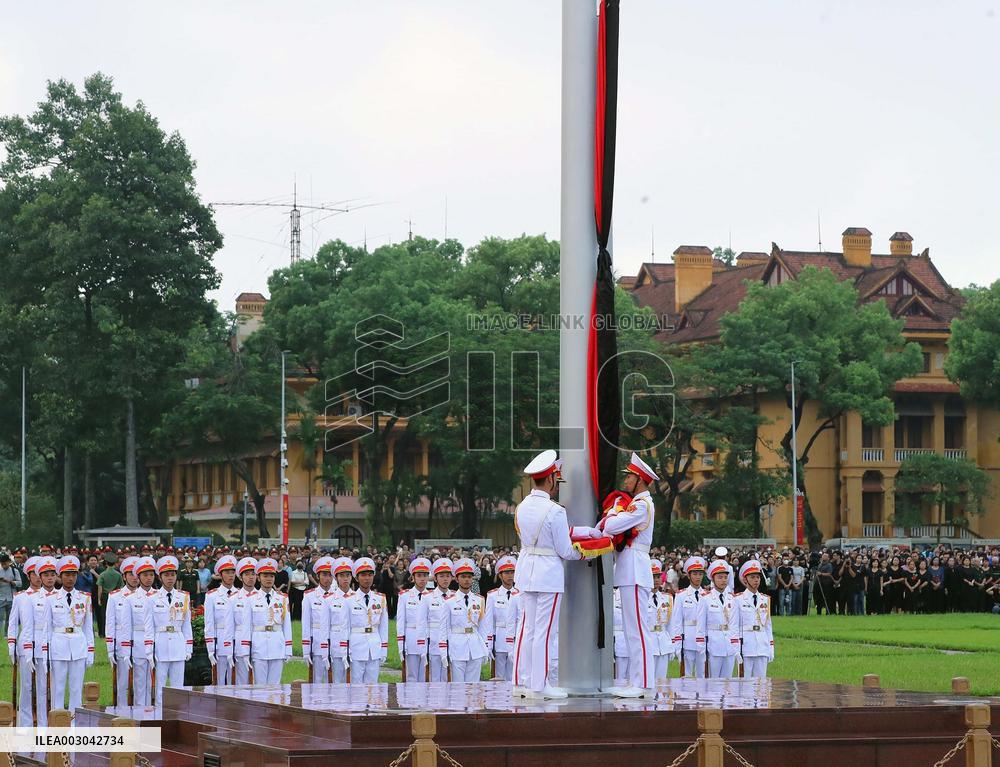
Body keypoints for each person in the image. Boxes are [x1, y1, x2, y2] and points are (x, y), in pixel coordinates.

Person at [510, 450, 588, 700]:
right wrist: (586, 553)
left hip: (527, 570)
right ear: (552, 479)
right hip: (548, 574)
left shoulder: (522, 506)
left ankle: (521, 682)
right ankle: (539, 685)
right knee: (544, 632)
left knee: (527, 629)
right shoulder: (555, 511)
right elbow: (565, 550)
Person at [599, 451, 659, 697]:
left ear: (640, 480)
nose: (625, 481)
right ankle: (639, 681)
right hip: (630, 569)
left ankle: (642, 684)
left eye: (630, 477)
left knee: (637, 631)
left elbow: (611, 526)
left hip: (634, 570)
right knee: (632, 629)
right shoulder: (638, 503)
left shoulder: (641, 505)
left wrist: (614, 509)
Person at [44, 555, 94, 714]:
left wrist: (90, 650)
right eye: (66, 575)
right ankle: (57, 721)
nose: (70, 578)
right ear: (60, 576)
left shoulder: (84, 597)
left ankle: (74, 723)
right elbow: (47, 628)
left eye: (73, 574)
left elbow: (88, 627)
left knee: (76, 688)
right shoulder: (51, 598)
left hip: (78, 646)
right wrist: (46, 652)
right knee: (57, 688)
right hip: (58, 646)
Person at [144, 555, 192, 704]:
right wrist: (149, 649)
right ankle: (160, 714)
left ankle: (178, 715)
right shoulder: (152, 598)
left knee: (178, 687)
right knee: (160, 687)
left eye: (172, 574)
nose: (170, 578)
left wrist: (188, 647)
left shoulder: (183, 597)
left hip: (178, 642)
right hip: (161, 644)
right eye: (166, 575)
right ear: (160, 577)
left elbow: (187, 624)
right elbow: (149, 626)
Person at [244, 558, 292, 684]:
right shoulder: (251, 598)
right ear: (259, 578)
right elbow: (247, 626)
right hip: (259, 646)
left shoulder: (282, 598)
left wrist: (288, 649)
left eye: (271, 576)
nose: (269, 579)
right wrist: (245, 650)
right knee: (260, 686)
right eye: (265, 576)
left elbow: (287, 625)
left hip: (277, 645)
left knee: (275, 686)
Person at [442, 557, 489, 683]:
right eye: (463, 577)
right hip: (457, 646)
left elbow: (483, 626)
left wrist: (485, 647)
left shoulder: (479, 600)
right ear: (457, 579)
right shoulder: (449, 601)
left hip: (475, 646)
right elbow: (444, 628)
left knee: (474, 686)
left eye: (469, 577)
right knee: (458, 686)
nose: (467, 580)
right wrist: (443, 651)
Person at [7, 556, 40, 726]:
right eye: (34, 574)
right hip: (24, 645)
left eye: (41, 574)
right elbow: (13, 623)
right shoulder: (20, 597)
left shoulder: (51, 596)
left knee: (44, 686)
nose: (38, 577)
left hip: (45, 645)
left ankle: (44, 721)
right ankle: (26, 724)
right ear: (28, 575)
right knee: (26, 686)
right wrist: (11, 645)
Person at [347, 557, 388, 683]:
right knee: (356, 684)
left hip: (374, 646)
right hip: (356, 646)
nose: (367, 578)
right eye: (363, 575)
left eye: (370, 575)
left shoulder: (380, 599)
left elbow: (384, 626)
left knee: (372, 685)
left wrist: (384, 649)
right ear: (357, 578)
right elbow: (345, 626)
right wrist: (346, 649)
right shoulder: (349, 599)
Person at [104, 557, 138, 706]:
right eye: (130, 574)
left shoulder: (148, 596)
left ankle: (141, 713)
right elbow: (110, 623)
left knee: (141, 682)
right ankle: (122, 712)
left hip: (141, 643)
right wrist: (110, 649)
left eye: (137, 574)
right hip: (121, 644)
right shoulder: (115, 596)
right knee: (122, 681)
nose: (134, 578)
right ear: (124, 577)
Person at [668, 557, 708, 678]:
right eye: (695, 574)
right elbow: (677, 621)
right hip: (688, 640)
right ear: (689, 576)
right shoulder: (681, 596)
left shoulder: (708, 595)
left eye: (700, 574)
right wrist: (677, 643)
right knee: (686, 676)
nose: (698, 577)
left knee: (703, 676)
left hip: (704, 640)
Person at [699, 559, 738, 679]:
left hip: (729, 646)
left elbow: (735, 624)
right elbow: (701, 625)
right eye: (720, 577)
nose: (723, 580)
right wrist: (701, 647)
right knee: (713, 682)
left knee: (728, 682)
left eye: (725, 577)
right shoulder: (705, 599)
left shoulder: (732, 598)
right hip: (714, 645)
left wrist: (736, 646)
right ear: (713, 579)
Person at [734, 559, 773, 679]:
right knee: (744, 684)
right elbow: (735, 626)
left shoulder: (765, 599)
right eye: (752, 577)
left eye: (758, 577)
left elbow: (768, 626)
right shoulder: (738, 599)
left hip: (762, 645)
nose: (756, 580)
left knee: (761, 683)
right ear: (745, 580)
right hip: (746, 646)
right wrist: (736, 648)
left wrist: (771, 647)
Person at [204, 555, 238, 685]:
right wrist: (210, 648)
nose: (231, 575)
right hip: (220, 642)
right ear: (221, 575)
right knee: (219, 682)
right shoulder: (212, 596)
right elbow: (209, 623)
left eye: (232, 572)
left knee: (235, 682)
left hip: (236, 642)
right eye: (227, 572)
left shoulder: (241, 594)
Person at [483, 555, 518, 682]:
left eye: (512, 572)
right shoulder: (493, 595)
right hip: (500, 638)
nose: (510, 576)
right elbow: (489, 621)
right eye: (506, 573)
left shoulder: (520, 594)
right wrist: (489, 644)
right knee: (499, 676)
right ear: (500, 575)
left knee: (514, 675)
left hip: (515, 638)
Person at [419, 558, 454, 683]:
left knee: (449, 678)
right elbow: (421, 623)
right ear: (435, 578)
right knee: (434, 678)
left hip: (452, 642)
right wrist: (423, 647)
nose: (445, 579)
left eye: (448, 576)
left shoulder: (455, 596)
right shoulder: (427, 597)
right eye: (442, 576)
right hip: (434, 642)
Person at [396, 557, 431, 683]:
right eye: (419, 575)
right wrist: (401, 644)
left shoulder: (433, 596)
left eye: (425, 575)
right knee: (411, 676)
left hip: (427, 639)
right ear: (413, 577)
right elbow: (400, 622)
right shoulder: (405, 596)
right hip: (411, 639)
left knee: (426, 676)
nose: (422, 579)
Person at [302, 556, 335, 683]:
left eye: (330, 575)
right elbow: (306, 624)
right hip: (316, 642)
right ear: (318, 576)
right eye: (324, 575)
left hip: (334, 642)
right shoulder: (309, 596)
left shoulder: (339, 596)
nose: (327, 578)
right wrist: (306, 649)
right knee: (317, 680)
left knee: (335, 681)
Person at [328, 557, 354, 683]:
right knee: (337, 681)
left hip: (355, 643)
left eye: (348, 575)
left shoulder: (357, 597)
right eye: (342, 576)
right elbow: (325, 626)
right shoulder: (329, 599)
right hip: (336, 643)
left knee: (354, 681)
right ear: (336, 578)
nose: (345, 579)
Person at [648, 560, 674, 686]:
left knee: (662, 681)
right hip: (649, 642)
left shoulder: (667, 598)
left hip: (663, 643)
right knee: (649, 680)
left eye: (658, 577)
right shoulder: (641, 597)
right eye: (653, 577)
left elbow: (671, 624)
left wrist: (672, 644)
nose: (656, 580)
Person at [232, 557, 258, 684]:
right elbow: (230, 625)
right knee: (242, 681)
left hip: (259, 641)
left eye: (253, 574)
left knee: (259, 681)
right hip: (240, 641)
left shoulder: (262, 597)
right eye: (247, 574)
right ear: (240, 577)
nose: (250, 577)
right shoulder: (233, 598)